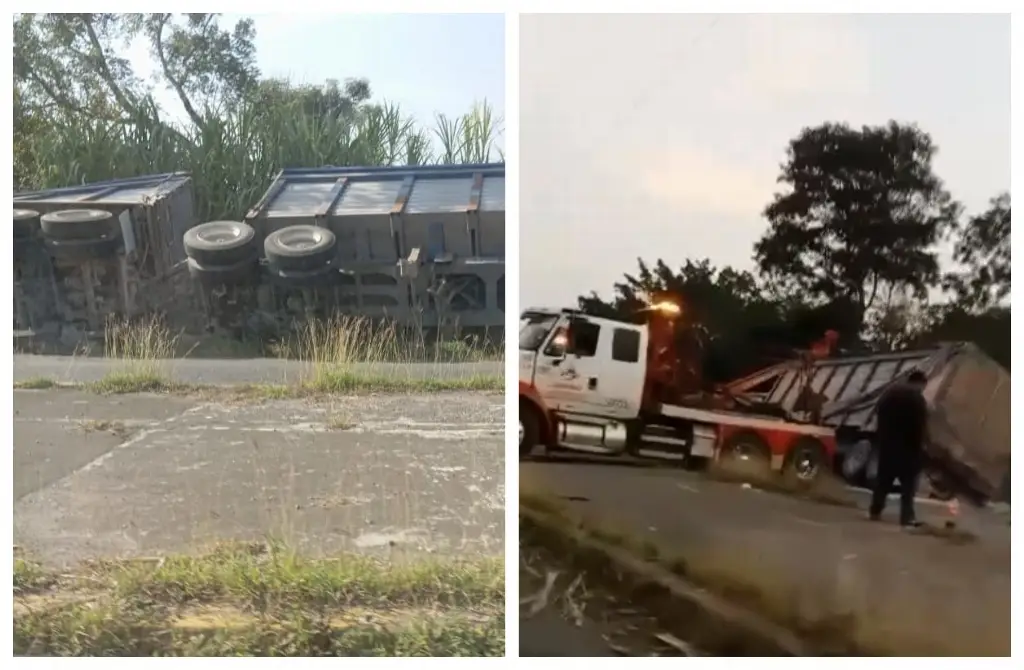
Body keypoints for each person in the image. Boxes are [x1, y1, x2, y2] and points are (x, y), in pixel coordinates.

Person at [869, 369, 930, 527]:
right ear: (921, 383)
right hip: (908, 450)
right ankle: (906, 517)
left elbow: (878, 413)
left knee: (883, 481)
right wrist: (921, 447)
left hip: (888, 445)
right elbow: (919, 426)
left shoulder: (889, 393)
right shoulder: (917, 398)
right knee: (908, 486)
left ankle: (875, 511)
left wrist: (882, 438)